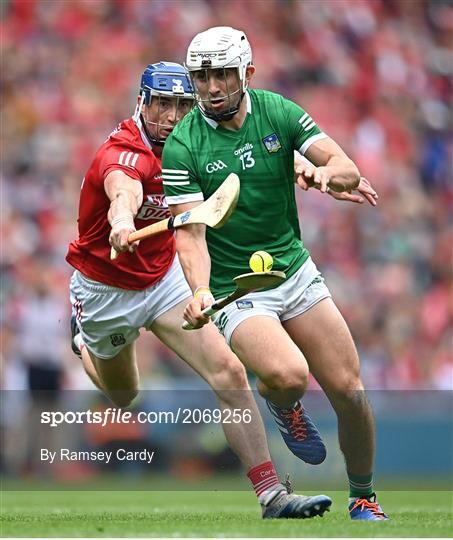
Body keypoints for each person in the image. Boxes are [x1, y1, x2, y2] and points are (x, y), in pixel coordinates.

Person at [66, 61, 333, 519]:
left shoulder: (193, 142)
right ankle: (82, 342)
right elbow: (122, 190)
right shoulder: (123, 153)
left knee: (229, 372)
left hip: (165, 278)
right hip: (104, 290)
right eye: (162, 104)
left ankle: (272, 496)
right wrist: (122, 220)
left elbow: (242, 159)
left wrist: (299, 168)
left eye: (181, 105)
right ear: (141, 102)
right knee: (125, 395)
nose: (171, 116)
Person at [161, 28, 388, 521]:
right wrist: (199, 290)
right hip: (236, 289)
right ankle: (285, 407)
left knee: (350, 390)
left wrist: (327, 174)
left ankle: (364, 496)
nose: (212, 86)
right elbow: (191, 235)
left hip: (293, 269)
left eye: (223, 73)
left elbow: (343, 164)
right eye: (201, 76)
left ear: (247, 74)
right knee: (287, 376)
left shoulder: (278, 112)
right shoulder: (182, 145)